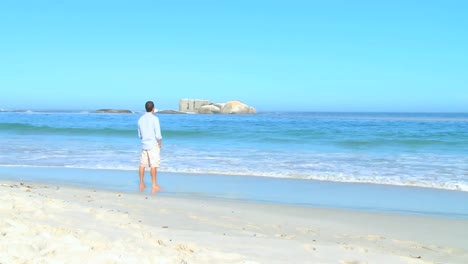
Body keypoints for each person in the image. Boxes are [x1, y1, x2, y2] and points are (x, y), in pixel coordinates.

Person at [138, 101, 163, 194]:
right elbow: (158, 134)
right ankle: (154, 185)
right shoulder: (155, 119)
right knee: (153, 165)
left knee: (142, 164)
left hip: (144, 144)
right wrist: (160, 143)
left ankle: (141, 183)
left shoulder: (140, 119)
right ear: (153, 108)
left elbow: (139, 135)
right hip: (152, 144)